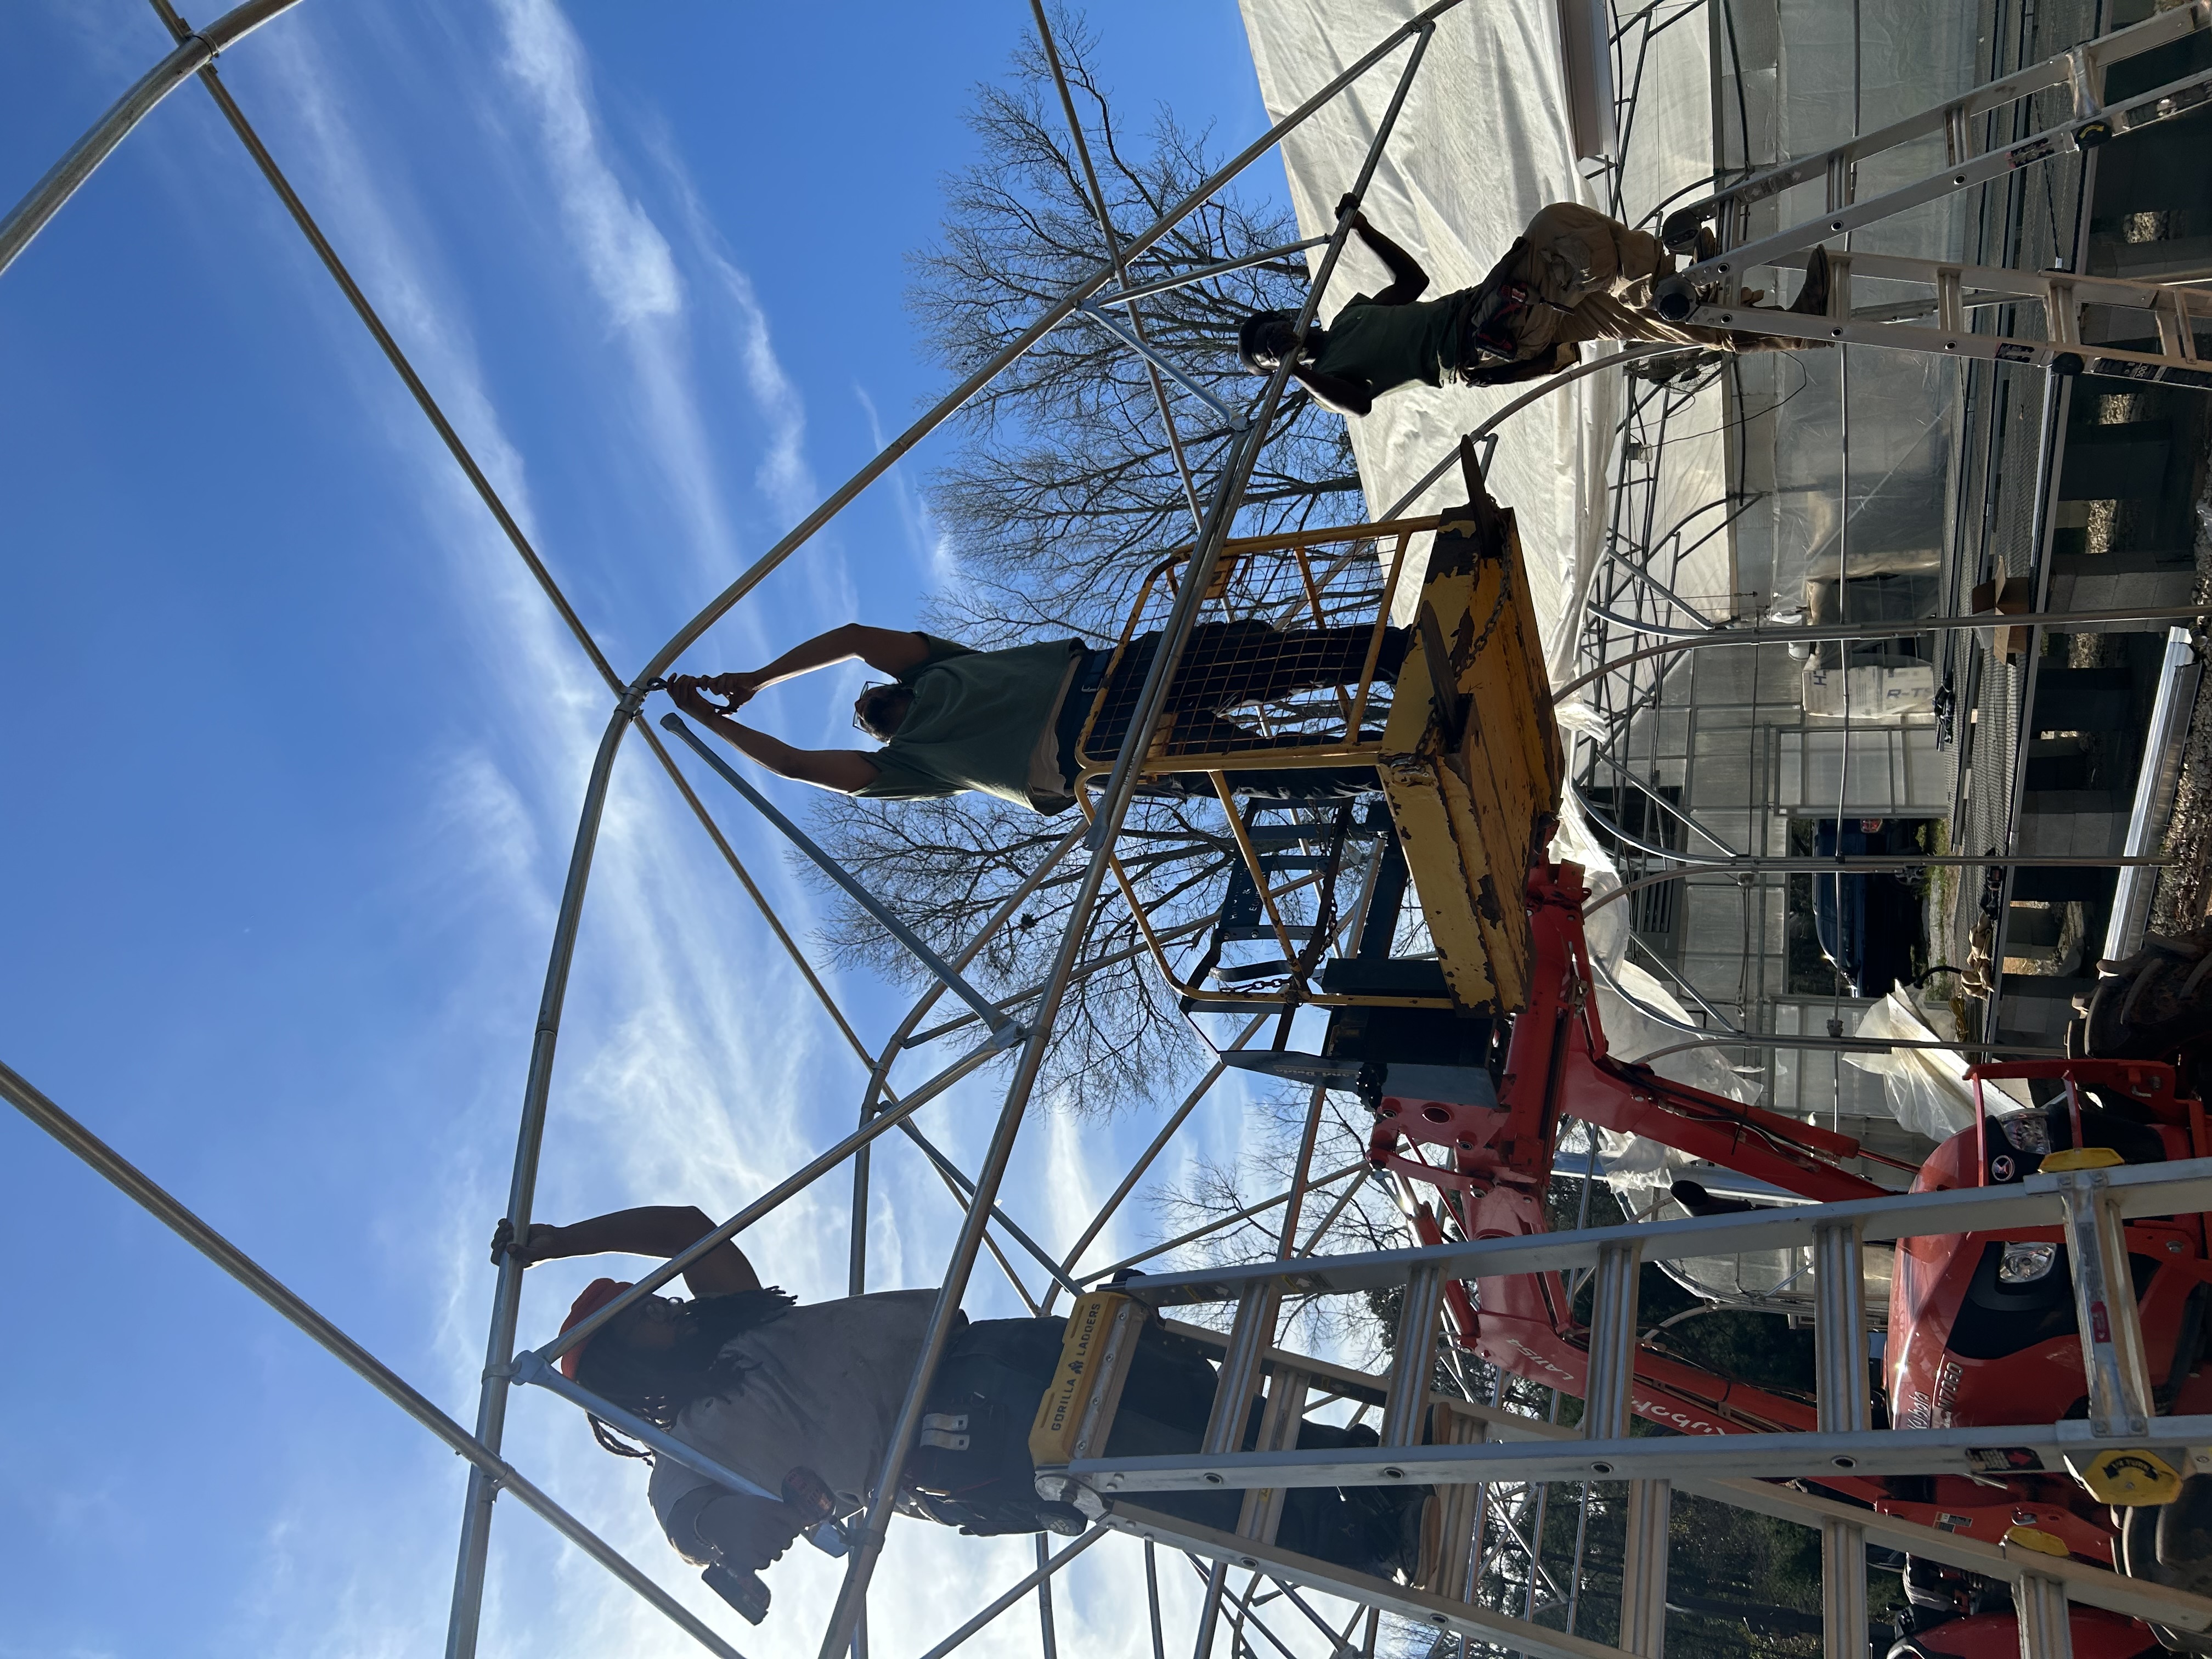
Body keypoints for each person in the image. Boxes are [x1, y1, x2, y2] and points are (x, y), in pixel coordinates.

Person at [499, 1206, 1435, 1590]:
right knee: (1166, 1463)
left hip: (979, 1349)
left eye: (646, 1296)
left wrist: (558, 1240)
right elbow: (697, 1527)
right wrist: (737, 1539)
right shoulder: (681, 1460)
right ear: (626, 1364)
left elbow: (688, 1228)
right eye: (638, 1314)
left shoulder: (738, 1331)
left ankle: (1356, 1460)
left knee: (1193, 1398)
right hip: (949, 1443)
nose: (661, 1301)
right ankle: (1357, 1537)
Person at [664, 617, 1412, 813]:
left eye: (872, 699)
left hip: (1109, 674)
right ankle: (1396, 759)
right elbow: (795, 765)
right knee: (1250, 768)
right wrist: (708, 720)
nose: (873, 708)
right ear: (884, 735)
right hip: (1096, 751)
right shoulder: (909, 764)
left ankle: (1399, 656)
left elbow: (858, 641)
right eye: (869, 718)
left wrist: (758, 678)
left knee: (1255, 660)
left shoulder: (936, 669)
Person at [1238, 195, 1830, 409]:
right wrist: (1296, 374)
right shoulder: (1333, 377)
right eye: (1270, 351)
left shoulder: (1350, 317)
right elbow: (1358, 405)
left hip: (1483, 309)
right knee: (1556, 232)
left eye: (1273, 332)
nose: (1278, 341)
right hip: (1483, 339)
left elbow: (1413, 281)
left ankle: (1791, 329)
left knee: (1647, 321)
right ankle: (1677, 285)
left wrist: (1364, 230)